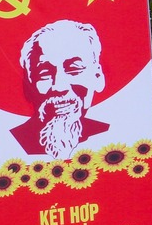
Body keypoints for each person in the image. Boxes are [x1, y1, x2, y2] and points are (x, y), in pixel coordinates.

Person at [10, 19, 111, 157]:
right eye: (45, 74)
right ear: (28, 86)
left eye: (74, 69)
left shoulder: (114, 138)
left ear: (98, 76)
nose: (59, 87)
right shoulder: (10, 144)